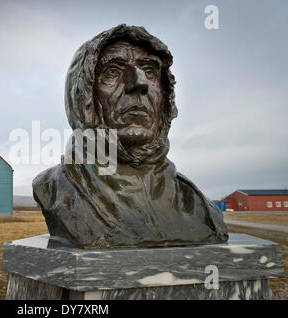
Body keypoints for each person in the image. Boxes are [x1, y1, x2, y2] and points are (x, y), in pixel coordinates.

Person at [33, 25, 228, 249]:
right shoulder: (54, 190)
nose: (139, 83)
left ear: (166, 98)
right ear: (82, 96)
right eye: (113, 72)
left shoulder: (197, 207)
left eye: (150, 72)